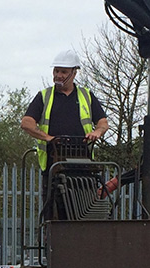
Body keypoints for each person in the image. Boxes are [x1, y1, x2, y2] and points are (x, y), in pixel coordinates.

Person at [20, 49, 110, 209]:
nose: (58, 75)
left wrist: (97, 132)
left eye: (63, 71)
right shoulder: (44, 96)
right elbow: (26, 123)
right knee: (53, 210)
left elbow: (103, 122)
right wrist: (48, 138)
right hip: (53, 166)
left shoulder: (86, 95)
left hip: (83, 165)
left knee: (85, 209)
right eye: (56, 71)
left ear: (74, 73)